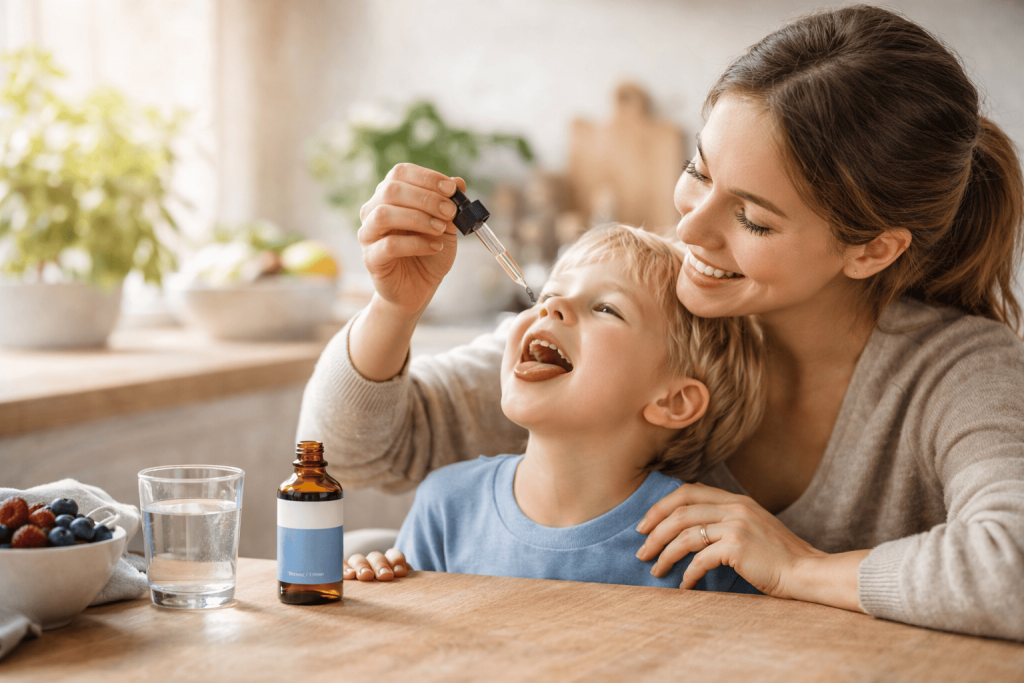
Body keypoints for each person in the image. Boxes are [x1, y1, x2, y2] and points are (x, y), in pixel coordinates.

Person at [298, 5, 1024, 640]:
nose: (691, 228)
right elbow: (349, 455)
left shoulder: (958, 372)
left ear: (872, 248)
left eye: (751, 218)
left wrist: (801, 566)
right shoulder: (646, 299)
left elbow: (1011, 567)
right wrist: (395, 305)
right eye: (699, 171)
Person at [366, 225, 764, 590]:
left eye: (606, 308)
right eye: (549, 295)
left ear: (673, 401)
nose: (550, 309)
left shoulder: (702, 541)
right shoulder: (447, 505)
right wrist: (377, 583)